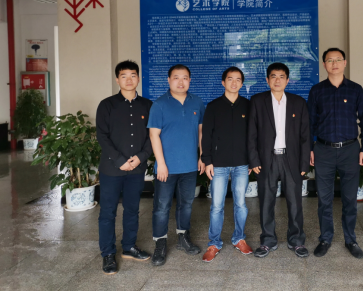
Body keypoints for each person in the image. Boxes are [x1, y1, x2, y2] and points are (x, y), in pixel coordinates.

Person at [307, 48, 363, 259]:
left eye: (338, 60)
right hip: (323, 150)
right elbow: (309, 123)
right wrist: (310, 148)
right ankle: (325, 238)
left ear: (344, 63)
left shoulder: (355, 89)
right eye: (330, 60)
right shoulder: (317, 91)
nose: (334, 63)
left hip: (350, 150)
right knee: (324, 199)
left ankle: (350, 239)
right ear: (324, 65)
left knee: (350, 199)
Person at [248, 62, 311, 258]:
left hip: (291, 159)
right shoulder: (257, 101)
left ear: (287, 80)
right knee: (266, 201)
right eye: (273, 76)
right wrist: (254, 160)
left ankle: (297, 240)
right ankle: (267, 240)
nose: (277, 80)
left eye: (281, 76)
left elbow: (305, 136)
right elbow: (251, 134)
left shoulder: (298, 102)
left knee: (295, 202)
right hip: (266, 160)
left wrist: (304, 163)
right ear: (267, 80)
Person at [96, 60, 152, 275]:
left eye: (133, 75)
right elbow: (102, 136)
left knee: (132, 209)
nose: (129, 80)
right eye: (124, 76)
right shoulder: (107, 105)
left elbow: (153, 136)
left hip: (136, 169)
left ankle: (129, 247)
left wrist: (141, 157)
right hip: (111, 169)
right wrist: (120, 160)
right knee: (108, 212)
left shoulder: (148, 106)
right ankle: (108, 253)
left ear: (138, 78)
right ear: (117, 79)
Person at [147, 64, 206, 266]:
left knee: (186, 204)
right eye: (176, 77)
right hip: (166, 167)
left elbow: (201, 132)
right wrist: (161, 164)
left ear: (190, 80)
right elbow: (154, 135)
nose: (181, 82)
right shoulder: (159, 104)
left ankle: (183, 237)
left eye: (185, 78)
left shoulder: (197, 102)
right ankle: (160, 243)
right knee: (162, 207)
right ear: (169, 80)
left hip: (189, 166)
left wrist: (202, 156)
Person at [201, 67, 253, 262]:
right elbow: (206, 135)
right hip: (219, 165)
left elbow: (253, 136)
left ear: (242, 83)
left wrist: (252, 160)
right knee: (216, 206)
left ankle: (239, 238)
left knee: (241, 204)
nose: (234, 82)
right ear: (223, 82)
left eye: (238, 79)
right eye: (230, 79)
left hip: (242, 164)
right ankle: (214, 243)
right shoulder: (213, 106)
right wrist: (207, 161)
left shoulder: (248, 106)